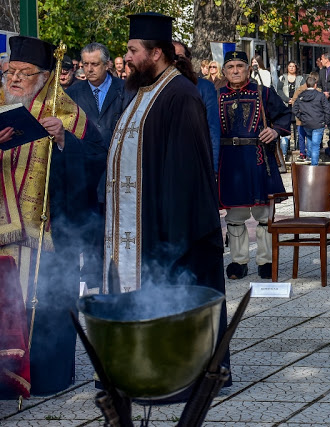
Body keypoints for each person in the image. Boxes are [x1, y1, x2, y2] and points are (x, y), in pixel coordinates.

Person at [104, 14, 230, 392]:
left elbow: (187, 171)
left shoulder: (180, 94)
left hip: (174, 227)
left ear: (156, 53)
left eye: (132, 50)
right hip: (143, 224)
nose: (125, 57)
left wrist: (172, 234)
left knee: (184, 297)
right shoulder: (142, 90)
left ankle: (191, 375)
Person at [0, 35, 106, 396]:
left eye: (24, 73)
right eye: (10, 71)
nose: (14, 79)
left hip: (48, 235)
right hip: (2, 236)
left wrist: (64, 142)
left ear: (44, 76)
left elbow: (95, 159)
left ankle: (46, 375)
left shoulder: (67, 112)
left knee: (45, 302)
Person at [218, 50, 290, 280]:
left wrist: (275, 130)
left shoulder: (264, 93)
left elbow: (285, 115)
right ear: (224, 71)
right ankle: (238, 262)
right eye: (231, 67)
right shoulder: (217, 95)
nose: (236, 70)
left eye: (240, 66)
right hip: (229, 160)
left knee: (263, 214)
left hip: (259, 159)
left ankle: (266, 261)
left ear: (249, 68)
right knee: (235, 215)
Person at [65, 42, 132, 290]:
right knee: (91, 223)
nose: (90, 69)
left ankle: (117, 270)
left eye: (95, 64)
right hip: (85, 169)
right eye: (86, 64)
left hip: (118, 167)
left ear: (106, 65)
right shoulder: (73, 93)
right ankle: (93, 273)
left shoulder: (125, 90)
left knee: (115, 221)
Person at [172, 40, 221, 178]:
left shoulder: (204, 87)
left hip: (195, 162)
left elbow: (212, 128)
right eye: (171, 57)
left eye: (180, 57)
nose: (175, 62)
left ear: (188, 59)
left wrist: (213, 168)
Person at [293, 74, 330, 166]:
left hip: (306, 123)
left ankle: (310, 158)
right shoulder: (320, 95)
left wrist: (301, 117)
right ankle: (314, 165)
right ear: (315, 85)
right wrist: (326, 121)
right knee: (315, 145)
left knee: (310, 140)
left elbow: (294, 108)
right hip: (318, 122)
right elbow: (327, 108)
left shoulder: (301, 95)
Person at [276, 61, 304, 161]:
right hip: (285, 106)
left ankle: (298, 147)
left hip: (297, 106)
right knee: (286, 127)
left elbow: (302, 90)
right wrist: (287, 99)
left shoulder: (301, 78)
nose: (291, 68)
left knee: (297, 128)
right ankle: (285, 149)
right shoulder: (282, 78)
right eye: (290, 66)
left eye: (293, 66)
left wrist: (295, 99)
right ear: (287, 67)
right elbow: (279, 90)